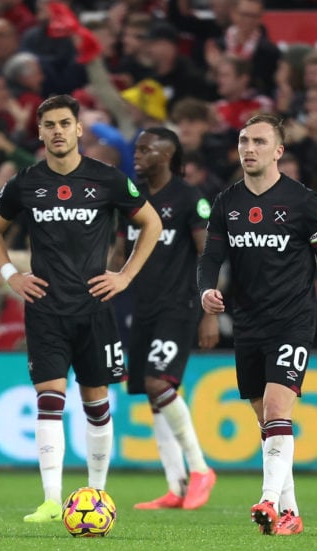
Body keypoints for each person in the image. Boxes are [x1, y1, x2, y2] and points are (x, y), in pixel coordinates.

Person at [0, 94, 162, 523]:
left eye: (65, 123)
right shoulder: (26, 183)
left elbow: (150, 222)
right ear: (40, 132)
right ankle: (49, 499)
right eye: (50, 125)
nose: (58, 131)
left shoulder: (108, 179)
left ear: (79, 129)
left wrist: (125, 276)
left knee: (96, 403)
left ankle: (97, 494)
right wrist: (11, 275)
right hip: (44, 307)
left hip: (95, 307)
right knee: (49, 401)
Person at [198, 114, 317, 536]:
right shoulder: (227, 203)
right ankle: (291, 513)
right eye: (243, 140)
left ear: (278, 151)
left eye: (259, 141)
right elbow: (210, 258)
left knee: (278, 412)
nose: (249, 148)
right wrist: (205, 292)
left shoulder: (304, 203)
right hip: (248, 324)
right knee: (267, 424)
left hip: (293, 322)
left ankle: (267, 500)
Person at [114, 128, 219, 511]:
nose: (137, 155)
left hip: (179, 307)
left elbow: (207, 256)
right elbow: (121, 255)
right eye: (136, 148)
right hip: (142, 309)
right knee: (151, 395)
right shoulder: (133, 202)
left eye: (145, 149)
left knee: (160, 380)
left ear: (168, 155)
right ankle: (175, 487)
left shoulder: (189, 198)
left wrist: (210, 313)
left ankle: (201, 470)